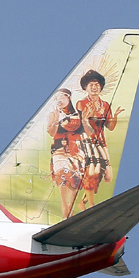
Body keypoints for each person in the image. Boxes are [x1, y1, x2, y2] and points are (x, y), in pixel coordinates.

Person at [76, 69, 124, 210]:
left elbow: (110, 126)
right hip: (87, 141)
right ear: (86, 87)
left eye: (97, 84)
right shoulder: (82, 103)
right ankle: (91, 205)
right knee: (92, 170)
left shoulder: (105, 105)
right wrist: (85, 119)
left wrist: (114, 116)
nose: (94, 86)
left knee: (103, 173)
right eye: (91, 84)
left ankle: (83, 202)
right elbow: (84, 127)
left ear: (101, 87)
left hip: (100, 141)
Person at [47, 88, 84, 219]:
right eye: (57, 98)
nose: (59, 100)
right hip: (59, 150)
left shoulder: (78, 114)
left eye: (62, 97)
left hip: (75, 150)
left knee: (74, 182)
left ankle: (71, 213)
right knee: (62, 178)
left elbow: (84, 130)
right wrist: (56, 119)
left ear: (69, 98)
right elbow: (51, 132)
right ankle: (65, 213)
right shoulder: (54, 114)